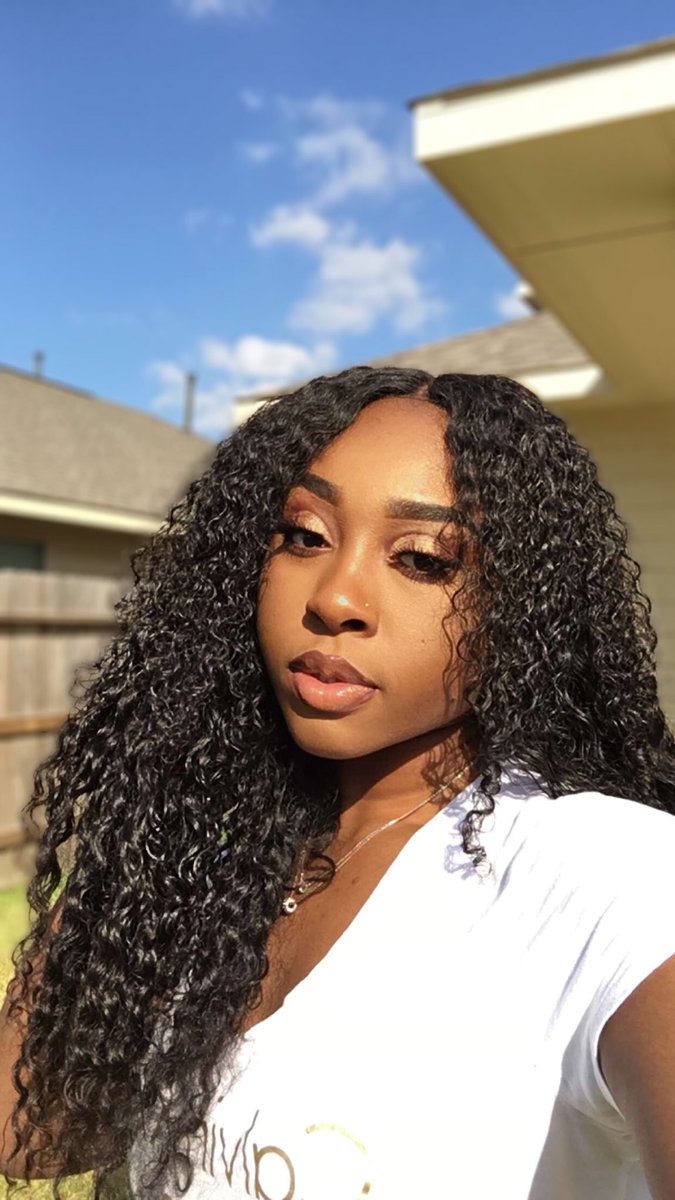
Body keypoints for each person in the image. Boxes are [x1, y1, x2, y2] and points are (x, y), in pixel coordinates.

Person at [1, 366, 675, 1200]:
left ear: (522, 608)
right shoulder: (230, 858)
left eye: (423, 559)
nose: (336, 596)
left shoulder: (614, 878)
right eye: (303, 535)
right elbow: (28, 1130)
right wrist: (156, 794)